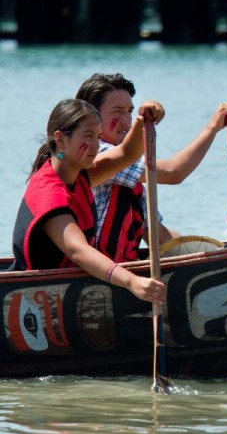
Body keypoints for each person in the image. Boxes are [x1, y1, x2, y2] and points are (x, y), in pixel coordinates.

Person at [11, 98, 165, 305]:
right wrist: (131, 282)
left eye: (98, 137)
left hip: (66, 291)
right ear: (61, 139)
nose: (96, 145)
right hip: (37, 299)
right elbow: (78, 250)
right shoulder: (49, 192)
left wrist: (141, 120)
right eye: (88, 136)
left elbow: (126, 153)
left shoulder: (78, 174)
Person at [75, 73, 227, 262]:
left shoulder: (131, 180)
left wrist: (220, 253)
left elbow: (159, 236)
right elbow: (174, 172)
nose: (126, 121)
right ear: (90, 118)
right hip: (87, 270)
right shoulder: (92, 154)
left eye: (130, 111)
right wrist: (212, 126)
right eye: (117, 111)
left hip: (117, 270)